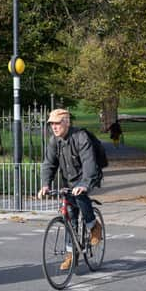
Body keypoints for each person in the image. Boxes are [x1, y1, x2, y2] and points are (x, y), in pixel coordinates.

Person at [38, 109, 103, 270]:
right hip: (69, 180)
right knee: (69, 217)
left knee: (80, 197)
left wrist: (84, 184)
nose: (54, 127)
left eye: (57, 123)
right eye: (51, 124)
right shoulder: (54, 141)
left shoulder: (80, 137)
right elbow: (49, 164)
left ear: (67, 122)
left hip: (87, 176)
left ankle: (93, 225)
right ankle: (71, 254)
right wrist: (45, 184)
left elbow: (89, 162)